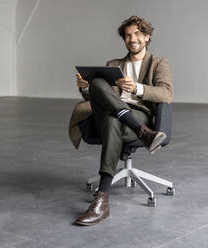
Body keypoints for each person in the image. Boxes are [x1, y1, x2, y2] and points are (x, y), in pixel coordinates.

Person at [68, 16, 173, 226]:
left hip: (140, 113)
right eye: (127, 35)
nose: (132, 39)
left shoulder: (158, 63)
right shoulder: (113, 65)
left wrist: (137, 88)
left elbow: (166, 93)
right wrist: (85, 86)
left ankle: (102, 198)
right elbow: (95, 98)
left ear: (147, 36)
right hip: (125, 120)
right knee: (97, 82)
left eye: (137, 34)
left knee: (111, 120)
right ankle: (142, 132)